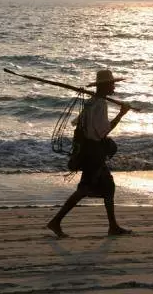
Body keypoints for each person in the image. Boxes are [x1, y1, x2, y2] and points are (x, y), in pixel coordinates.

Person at [47, 69, 132, 238]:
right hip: (93, 153)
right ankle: (56, 222)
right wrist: (121, 115)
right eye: (112, 84)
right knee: (85, 190)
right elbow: (102, 132)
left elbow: (78, 123)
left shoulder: (92, 102)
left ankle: (113, 226)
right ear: (106, 86)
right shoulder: (100, 104)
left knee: (107, 186)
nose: (114, 87)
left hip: (88, 151)